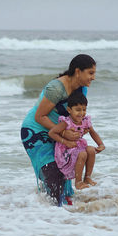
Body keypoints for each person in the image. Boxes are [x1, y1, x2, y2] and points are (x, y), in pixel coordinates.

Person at [21, 54, 96, 206]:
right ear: (77, 71)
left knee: (63, 170)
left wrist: (80, 129)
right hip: (36, 132)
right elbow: (39, 116)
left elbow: (74, 114)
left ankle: (59, 214)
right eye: (90, 73)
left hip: (59, 129)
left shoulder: (81, 89)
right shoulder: (56, 88)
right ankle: (48, 217)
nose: (93, 77)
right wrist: (63, 133)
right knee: (53, 172)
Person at [49, 91, 104, 203]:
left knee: (91, 150)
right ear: (69, 110)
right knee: (83, 153)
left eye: (84, 109)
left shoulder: (85, 121)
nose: (81, 113)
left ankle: (87, 177)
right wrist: (65, 141)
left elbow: (93, 132)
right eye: (78, 110)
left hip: (78, 147)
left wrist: (100, 144)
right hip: (65, 151)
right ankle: (78, 182)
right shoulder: (66, 122)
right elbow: (52, 133)